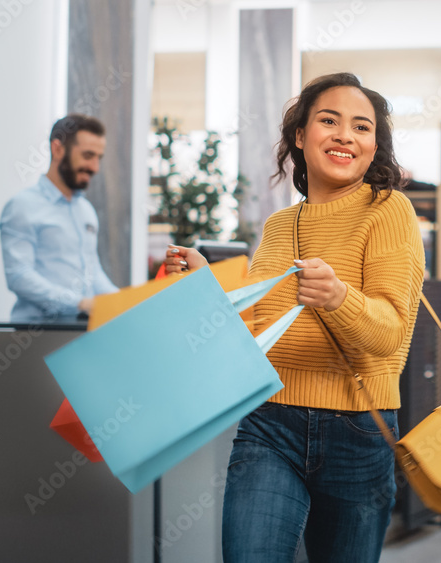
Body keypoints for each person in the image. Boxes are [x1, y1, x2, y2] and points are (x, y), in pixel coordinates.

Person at [165, 73, 425, 562]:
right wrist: (207, 289)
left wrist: (338, 297)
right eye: (329, 120)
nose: (345, 134)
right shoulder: (280, 224)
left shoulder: (389, 211)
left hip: (359, 428)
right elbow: (255, 334)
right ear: (301, 137)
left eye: (361, 127)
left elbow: (390, 334)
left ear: (374, 147)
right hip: (269, 423)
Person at [0, 114, 118, 322]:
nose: (94, 167)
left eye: (99, 158)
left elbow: (93, 274)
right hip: (37, 338)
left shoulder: (86, 210)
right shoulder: (22, 206)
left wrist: (124, 302)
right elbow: (19, 276)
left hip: (82, 334)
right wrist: (79, 303)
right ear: (57, 149)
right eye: (88, 155)